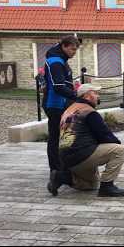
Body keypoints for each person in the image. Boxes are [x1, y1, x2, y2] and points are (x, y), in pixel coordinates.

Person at [49, 84, 124, 197]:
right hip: (81, 154)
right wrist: (116, 143)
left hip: (66, 158)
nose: (97, 96)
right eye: (95, 93)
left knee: (92, 184)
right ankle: (107, 187)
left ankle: (62, 177)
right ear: (87, 96)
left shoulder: (69, 110)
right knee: (118, 150)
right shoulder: (89, 112)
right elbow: (105, 135)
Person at [43, 35, 79, 179]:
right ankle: (56, 169)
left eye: (75, 50)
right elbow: (58, 86)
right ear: (64, 46)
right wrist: (77, 96)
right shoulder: (56, 62)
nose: (74, 53)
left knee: (63, 136)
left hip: (61, 103)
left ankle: (61, 166)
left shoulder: (61, 59)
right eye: (72, 49)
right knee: (55, 137)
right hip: (55, 104)